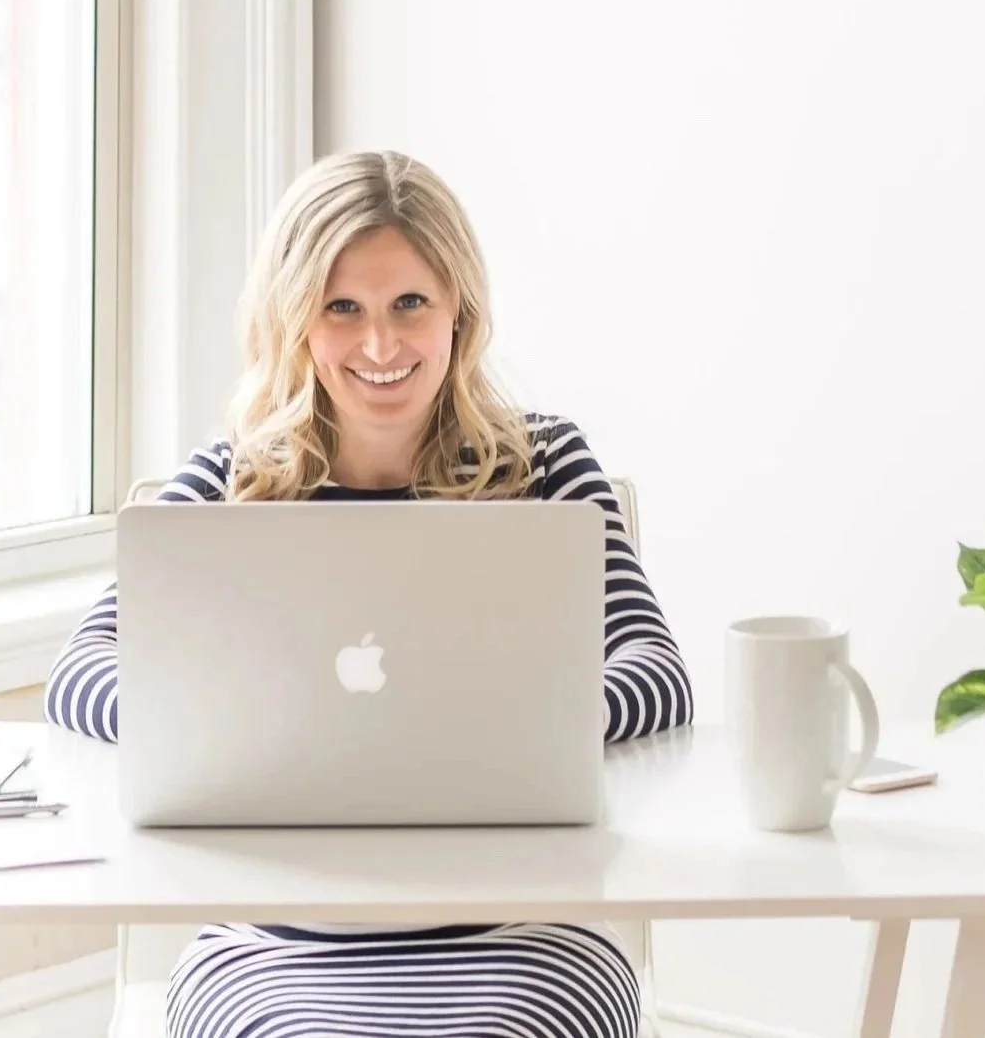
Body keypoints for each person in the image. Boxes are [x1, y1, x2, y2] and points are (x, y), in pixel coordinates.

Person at [43, 150, 693, 1038]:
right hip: (273, 943)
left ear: (459, 310)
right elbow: (78, 671)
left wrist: (515, 726)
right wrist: (213, 728)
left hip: (524, 930)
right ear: (295, 320)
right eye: (341, 308)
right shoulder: (233, 482)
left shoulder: (542, 465)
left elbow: (657, 672)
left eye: (410, 304)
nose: (381, 346)